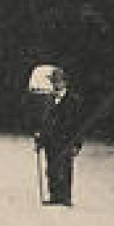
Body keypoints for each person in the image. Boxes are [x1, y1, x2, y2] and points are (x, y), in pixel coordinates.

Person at [36, 68, 84, 207]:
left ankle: (66, 196)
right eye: (53, 82)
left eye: (58, 81)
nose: (55, 84)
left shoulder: (74, 100)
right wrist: (40, 139)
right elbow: (45, 121)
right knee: (51, 167)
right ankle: (54, 195)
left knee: (66, 167)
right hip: (51, 140)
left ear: (65, 83)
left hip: (66, 139)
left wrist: (77, 144)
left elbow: (78, 124)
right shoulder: (49, 99)